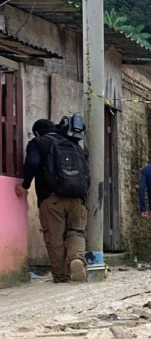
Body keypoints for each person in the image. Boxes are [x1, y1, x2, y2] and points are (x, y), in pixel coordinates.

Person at [16, 117, 90, 283]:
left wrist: (25, 185)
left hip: (52, 198)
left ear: (37, 132)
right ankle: (77, 259)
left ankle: (61, 276)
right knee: (76, 232)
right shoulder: (73, 144)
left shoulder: (39, 142)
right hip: (78, 198)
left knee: (54, 238)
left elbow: (32, 163)